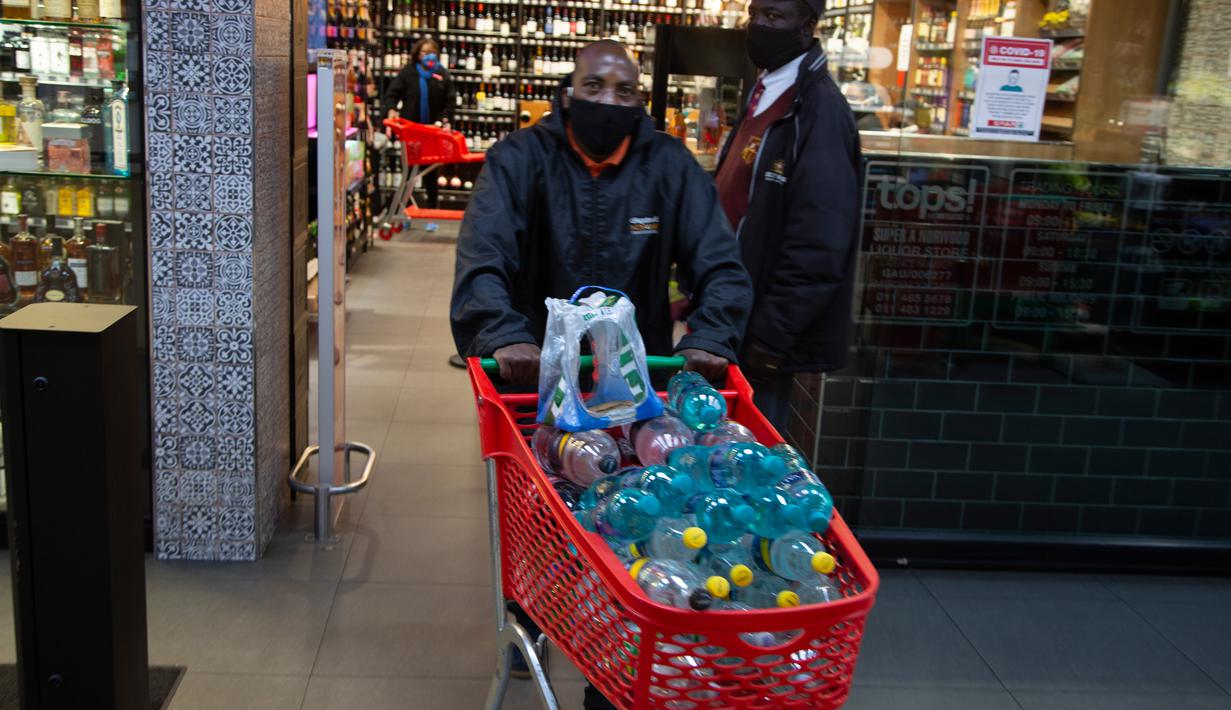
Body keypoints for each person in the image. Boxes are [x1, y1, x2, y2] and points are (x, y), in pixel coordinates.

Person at [451, 39, 752, 710]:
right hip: (535, 387)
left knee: (624, 524)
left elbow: (720, 266)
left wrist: (709, 336)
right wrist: (504, 334)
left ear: (640, 104)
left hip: (630, 397)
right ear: (567, 94)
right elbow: (483, 256)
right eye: (594, 87)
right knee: (543, 514)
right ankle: (533, 609)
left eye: (624, 92)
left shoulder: (667, 167)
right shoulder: (519, 161)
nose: (607, 101)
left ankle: (611, 667)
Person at [713, 0, 862, 433]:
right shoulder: (767, 92)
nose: (758, 25)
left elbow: (819, 244)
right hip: (734, 322)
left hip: (760, 339)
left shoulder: (817, 111)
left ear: (808, 27)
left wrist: (770, 340)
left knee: (747, 457)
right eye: (755, 13)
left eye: (774, 17)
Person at [383, 37, 456, 209]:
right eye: (424, 52)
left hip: (433, 132)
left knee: (431, 174)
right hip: (411, 132)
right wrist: (391, 108)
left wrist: (442, 120)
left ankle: (432, 210)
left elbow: (450, 102)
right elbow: (392, 94)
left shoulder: (443, 75)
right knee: (408, 173)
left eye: (432, 53)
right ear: (417, 54)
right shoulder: (408, 73)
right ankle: (404, 210)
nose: (428, 56)